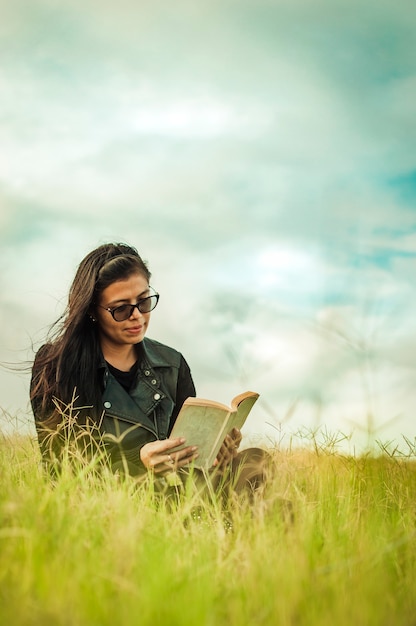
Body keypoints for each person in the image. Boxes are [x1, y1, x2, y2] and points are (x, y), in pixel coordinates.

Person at [31, 242, 271, 503]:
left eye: (144, 302)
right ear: (92, 311)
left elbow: (187, 455)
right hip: (117, 503)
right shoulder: (56, 367)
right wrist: (140, 461)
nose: (137, 316)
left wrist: (216, 454)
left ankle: (234, 524)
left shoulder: (172, 364)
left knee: (256, 461)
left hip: (180, 491)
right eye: (121, 309)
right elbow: (61, 471)